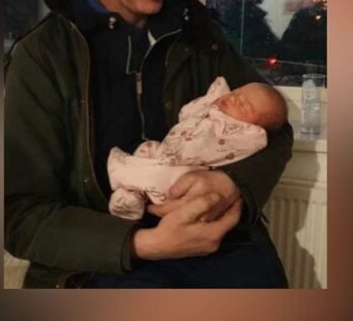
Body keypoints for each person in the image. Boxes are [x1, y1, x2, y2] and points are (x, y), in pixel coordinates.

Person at [4, 0, 294, 288]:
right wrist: (143, 244)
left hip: (223, 248)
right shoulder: (41, 57)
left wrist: (234, 187)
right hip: (102, 265)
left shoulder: (198, 33)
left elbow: (272, 123)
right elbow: (18, 215)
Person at [108, 76, 288, 221]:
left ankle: (121, 171)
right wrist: (212, 100)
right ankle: (130, 196)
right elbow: (185, 113)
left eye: (243, 105)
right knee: (147, 148)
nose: (233, 98)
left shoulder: (242, 134)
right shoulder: (212, 109)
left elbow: (275, 136)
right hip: (166, 151)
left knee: (163, 174)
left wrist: (232, 181)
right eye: (236, 91)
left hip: (184, 170)